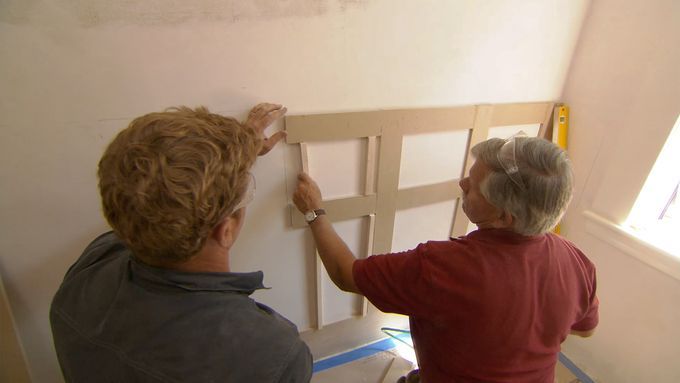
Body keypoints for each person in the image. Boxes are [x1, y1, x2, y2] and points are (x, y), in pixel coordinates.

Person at [293, 135, 599, 383]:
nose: (462, 185)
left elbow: (345, 274)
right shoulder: (577, 260)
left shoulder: (442, 268)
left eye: (473, 186)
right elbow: (585, 328)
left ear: (505, 215)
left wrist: (314, 212)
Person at [50, 103, 312, 382]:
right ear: (227, 229)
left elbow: (155, 193)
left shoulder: (89, 268)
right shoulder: (273, 356)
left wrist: (239, 149)